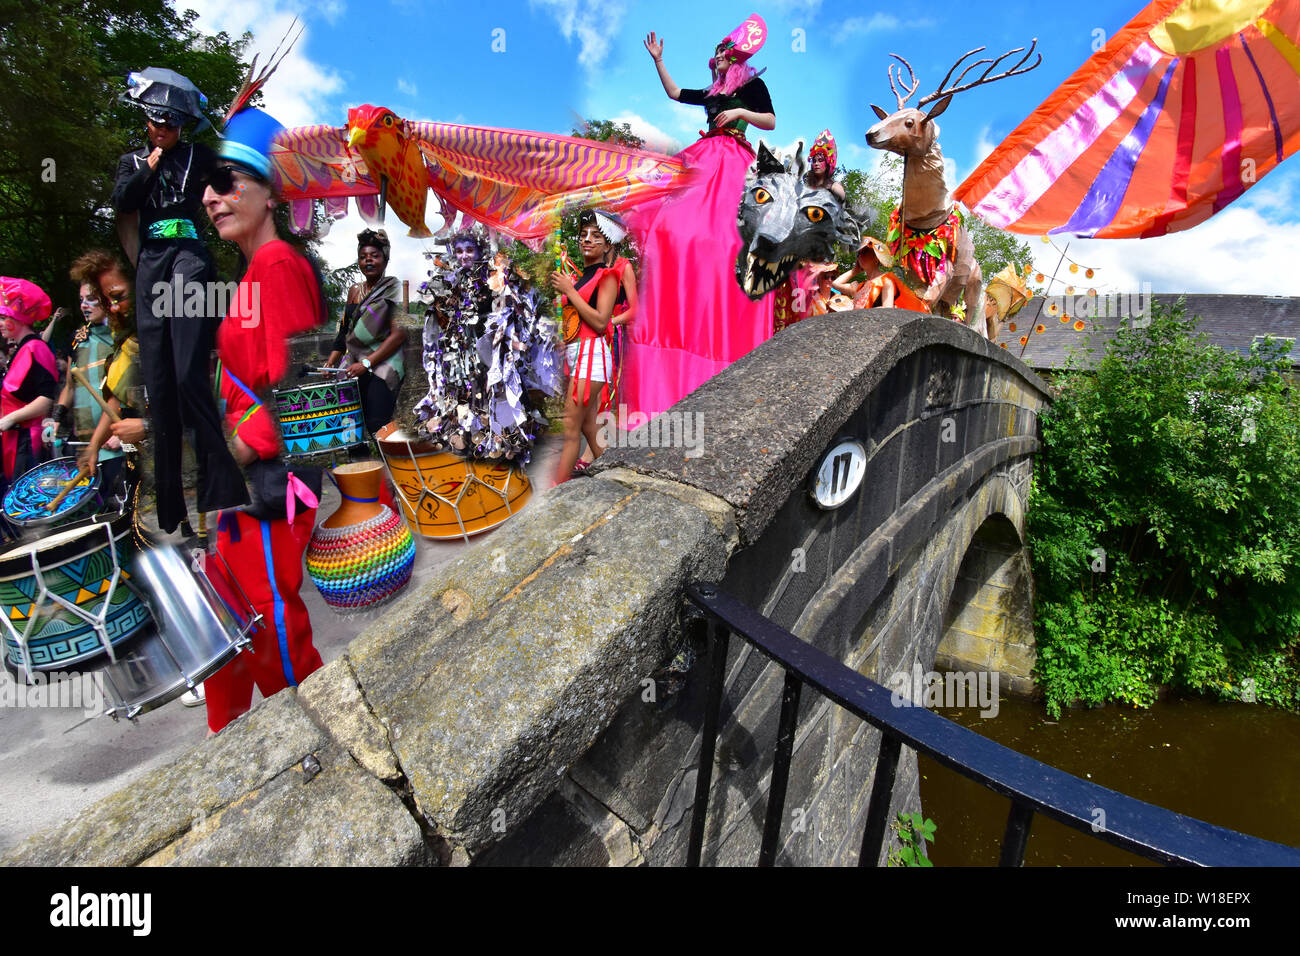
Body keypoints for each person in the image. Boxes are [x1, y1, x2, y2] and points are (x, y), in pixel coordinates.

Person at [199, 102, 324, 734]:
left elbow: (300, 388)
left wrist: (239, 450)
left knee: (269, 621)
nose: (211, 198)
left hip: (268, 479)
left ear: (269, 195)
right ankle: (229, 749)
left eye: (226, 185)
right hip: (242, 477)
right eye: (208, 188)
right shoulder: (250, 273)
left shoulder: (278, 266)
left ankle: (318, 744)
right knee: (226, 619)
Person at [112, 67, 248, 535]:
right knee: (162, 387)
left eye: (170, 124)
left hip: (189, 258)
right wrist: (150, 164)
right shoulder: (132, 162)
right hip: (151, 264)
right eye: (155, 123)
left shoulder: (198, 156)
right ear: (146, 121)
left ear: (181, 125)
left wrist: (239, 125)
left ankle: (221, 489)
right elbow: (123, 201)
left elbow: (234, 176)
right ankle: (175, 513)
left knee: (190, 372)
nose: (162, 130)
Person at [624, 14, 776, 421]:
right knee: (672, 228)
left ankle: (731, 351)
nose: (715, 59)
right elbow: (675, 93)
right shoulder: (711, 91)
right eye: (714, 55)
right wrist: (658, 60)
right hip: (705, 156)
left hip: (734, 158)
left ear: (735, 56)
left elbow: (771, 121)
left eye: (721, 53)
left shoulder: (752, 86)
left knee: (729, 238)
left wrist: (738, 113)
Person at [415, 225, 556, 463]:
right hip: (461, 359)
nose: (464, 256)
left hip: (493, 357)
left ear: (480, 252)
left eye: (470, 249)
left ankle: (502, 450)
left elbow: (514, 313)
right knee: (465, 403)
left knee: (496, 401)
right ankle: (473, 449)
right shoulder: (450, 282)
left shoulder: (496, 278)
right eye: (459, 251)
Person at [58, 252, 136, 496]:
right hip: (94, 442)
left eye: (92, 299)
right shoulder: (80, 339)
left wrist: (126, 430)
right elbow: (74, 386)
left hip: (125, 442)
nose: (84, 306)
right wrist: (57, 416)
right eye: (82, 299)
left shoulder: (130, 336)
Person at [550, 211, 619, 483]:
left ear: (607, 245)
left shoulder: (608, 276)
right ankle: (613, 481)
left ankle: (555, 497)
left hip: (592, 356)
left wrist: (570, 291)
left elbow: (601, 322)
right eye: (583, 236)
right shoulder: (581, 277)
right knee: (590, 427)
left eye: (595, 236)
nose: (586, 240)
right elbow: (578, 319)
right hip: (579, 354)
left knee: (570, 430)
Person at [325, 228, 406, 438]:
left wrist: (366, 363)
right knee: (349, 423)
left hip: (383, 362)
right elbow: (345, 331)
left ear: (385, 259)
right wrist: (331, 362)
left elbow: (398, 335)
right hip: (353, 363)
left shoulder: (395, 289)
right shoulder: (354, 291)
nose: (368, 261)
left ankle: (395, 468)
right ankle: (362, 468)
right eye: (363, 257)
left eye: (375, 256)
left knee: (378, 424)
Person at [0, 278, 58, 497]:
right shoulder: (21, 350)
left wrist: (9, 419)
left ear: (19, 319)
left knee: (30, 499)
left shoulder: (36, 348)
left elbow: (46, 399)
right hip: (16, 441)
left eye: (4, 318)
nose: (0, 323)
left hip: (30, 441)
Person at [832, 236, 930, 312]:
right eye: (859, 253)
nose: (860, 256)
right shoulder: (859, 287)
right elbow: (835, 284)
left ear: (876, 257)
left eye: (865, 252)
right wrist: (854, 271)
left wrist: (864, 312)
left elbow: (887, 310)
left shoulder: (887, 281)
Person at [806, 130, 845, 202]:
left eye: (820, 160)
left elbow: (842, 208)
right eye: (814, 161)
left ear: (827, 162)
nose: (816, 163)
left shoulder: (835, 187)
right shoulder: (807, 185)